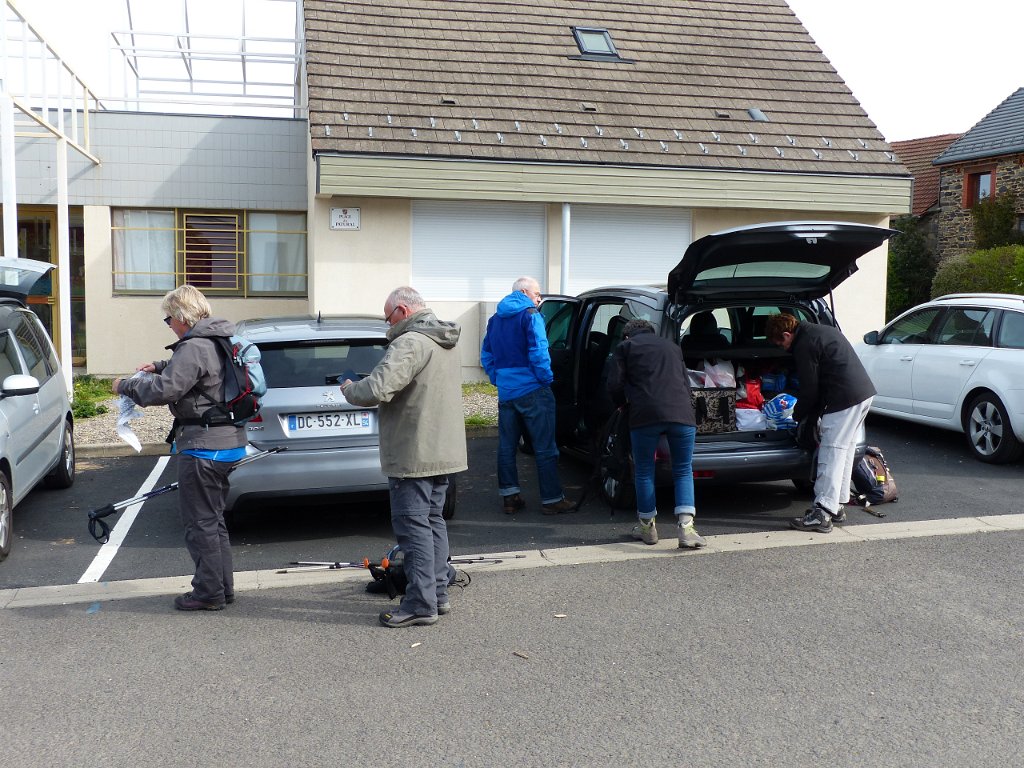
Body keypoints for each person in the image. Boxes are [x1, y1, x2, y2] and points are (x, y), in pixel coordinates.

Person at [113, 285, 247, 611]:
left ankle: (208, 593)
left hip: (204, 448)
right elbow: (203, 373)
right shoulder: (220, 338)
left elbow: (164, 391)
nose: (169, 325)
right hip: (228, 442)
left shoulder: (193, 346)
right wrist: (160, 365)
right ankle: (222, 588)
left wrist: (125, 386)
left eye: (169, 319)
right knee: (213, 520)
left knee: (200, 524)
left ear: (182, 317)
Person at [341, 286, 468, 628]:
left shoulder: (410, 342)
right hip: (442, 450)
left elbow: (377, 388)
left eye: (388, 318)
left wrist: (349, 389)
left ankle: (420, 604)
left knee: (413, 529)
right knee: (432, 522)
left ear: (402, 310)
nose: (388, 325)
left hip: (413, 452)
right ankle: (437, 593)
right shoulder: (444, 340)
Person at [764, 313, 876, 534]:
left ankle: (822, 513)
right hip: (862, 394)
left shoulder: (804, 344)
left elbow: (810, 389)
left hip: (844, 397)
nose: (782, 348)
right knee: (844, 450)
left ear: (787, 334)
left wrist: (799, 416)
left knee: (831, 452)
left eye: (780, 343)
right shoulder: (820, 330)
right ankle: (837, 506)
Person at [607, 318, 706, 549]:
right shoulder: (673, 347)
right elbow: (685, 383)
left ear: (627, 335)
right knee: (683, 469)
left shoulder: (625, 347)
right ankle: (686, 529)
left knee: (644, 470)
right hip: (681, 413)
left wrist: (621, 404)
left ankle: (647, 528)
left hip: (645, 415)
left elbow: (614, 384)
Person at [480, 276, 575, 515]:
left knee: (507, 447)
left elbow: (487, 354)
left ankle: (510, 498)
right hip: (533, 389)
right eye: (536, 294)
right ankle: (552, 500)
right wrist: (546, 378)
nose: (539, 298)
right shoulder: (531, 315)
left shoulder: (495, 320)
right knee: (545, 448)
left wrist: (497, 378)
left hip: (507, 392)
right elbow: (539, 351)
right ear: (524, 292)